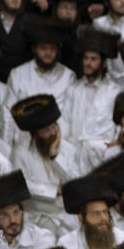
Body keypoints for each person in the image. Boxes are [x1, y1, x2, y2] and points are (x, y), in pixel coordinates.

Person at [10, 94, 82, 236]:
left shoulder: (67, 148)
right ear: (34, 134)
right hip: (36, 221)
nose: (53, 133)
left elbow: (75, 182)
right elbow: (20, 185)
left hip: (66, 219)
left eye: (54, 127)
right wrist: (53, 190)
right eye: (46, 130)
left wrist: (55, 157)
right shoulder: (20, 152)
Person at [61, 25, 123, 173]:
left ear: (104, 63)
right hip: (74, 158)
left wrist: (115, 145)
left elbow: (120, 127)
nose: (87, 63)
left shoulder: (115, 92)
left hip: (103, 158)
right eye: (85, 58)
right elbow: (65, 122)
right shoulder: (73, 89)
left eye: (93, 59)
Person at [57, 175, 124, 249]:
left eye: (105, 212)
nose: (103, 218)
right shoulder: (67, 244)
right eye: (96, 214)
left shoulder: (122, 238)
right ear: (81, 218)